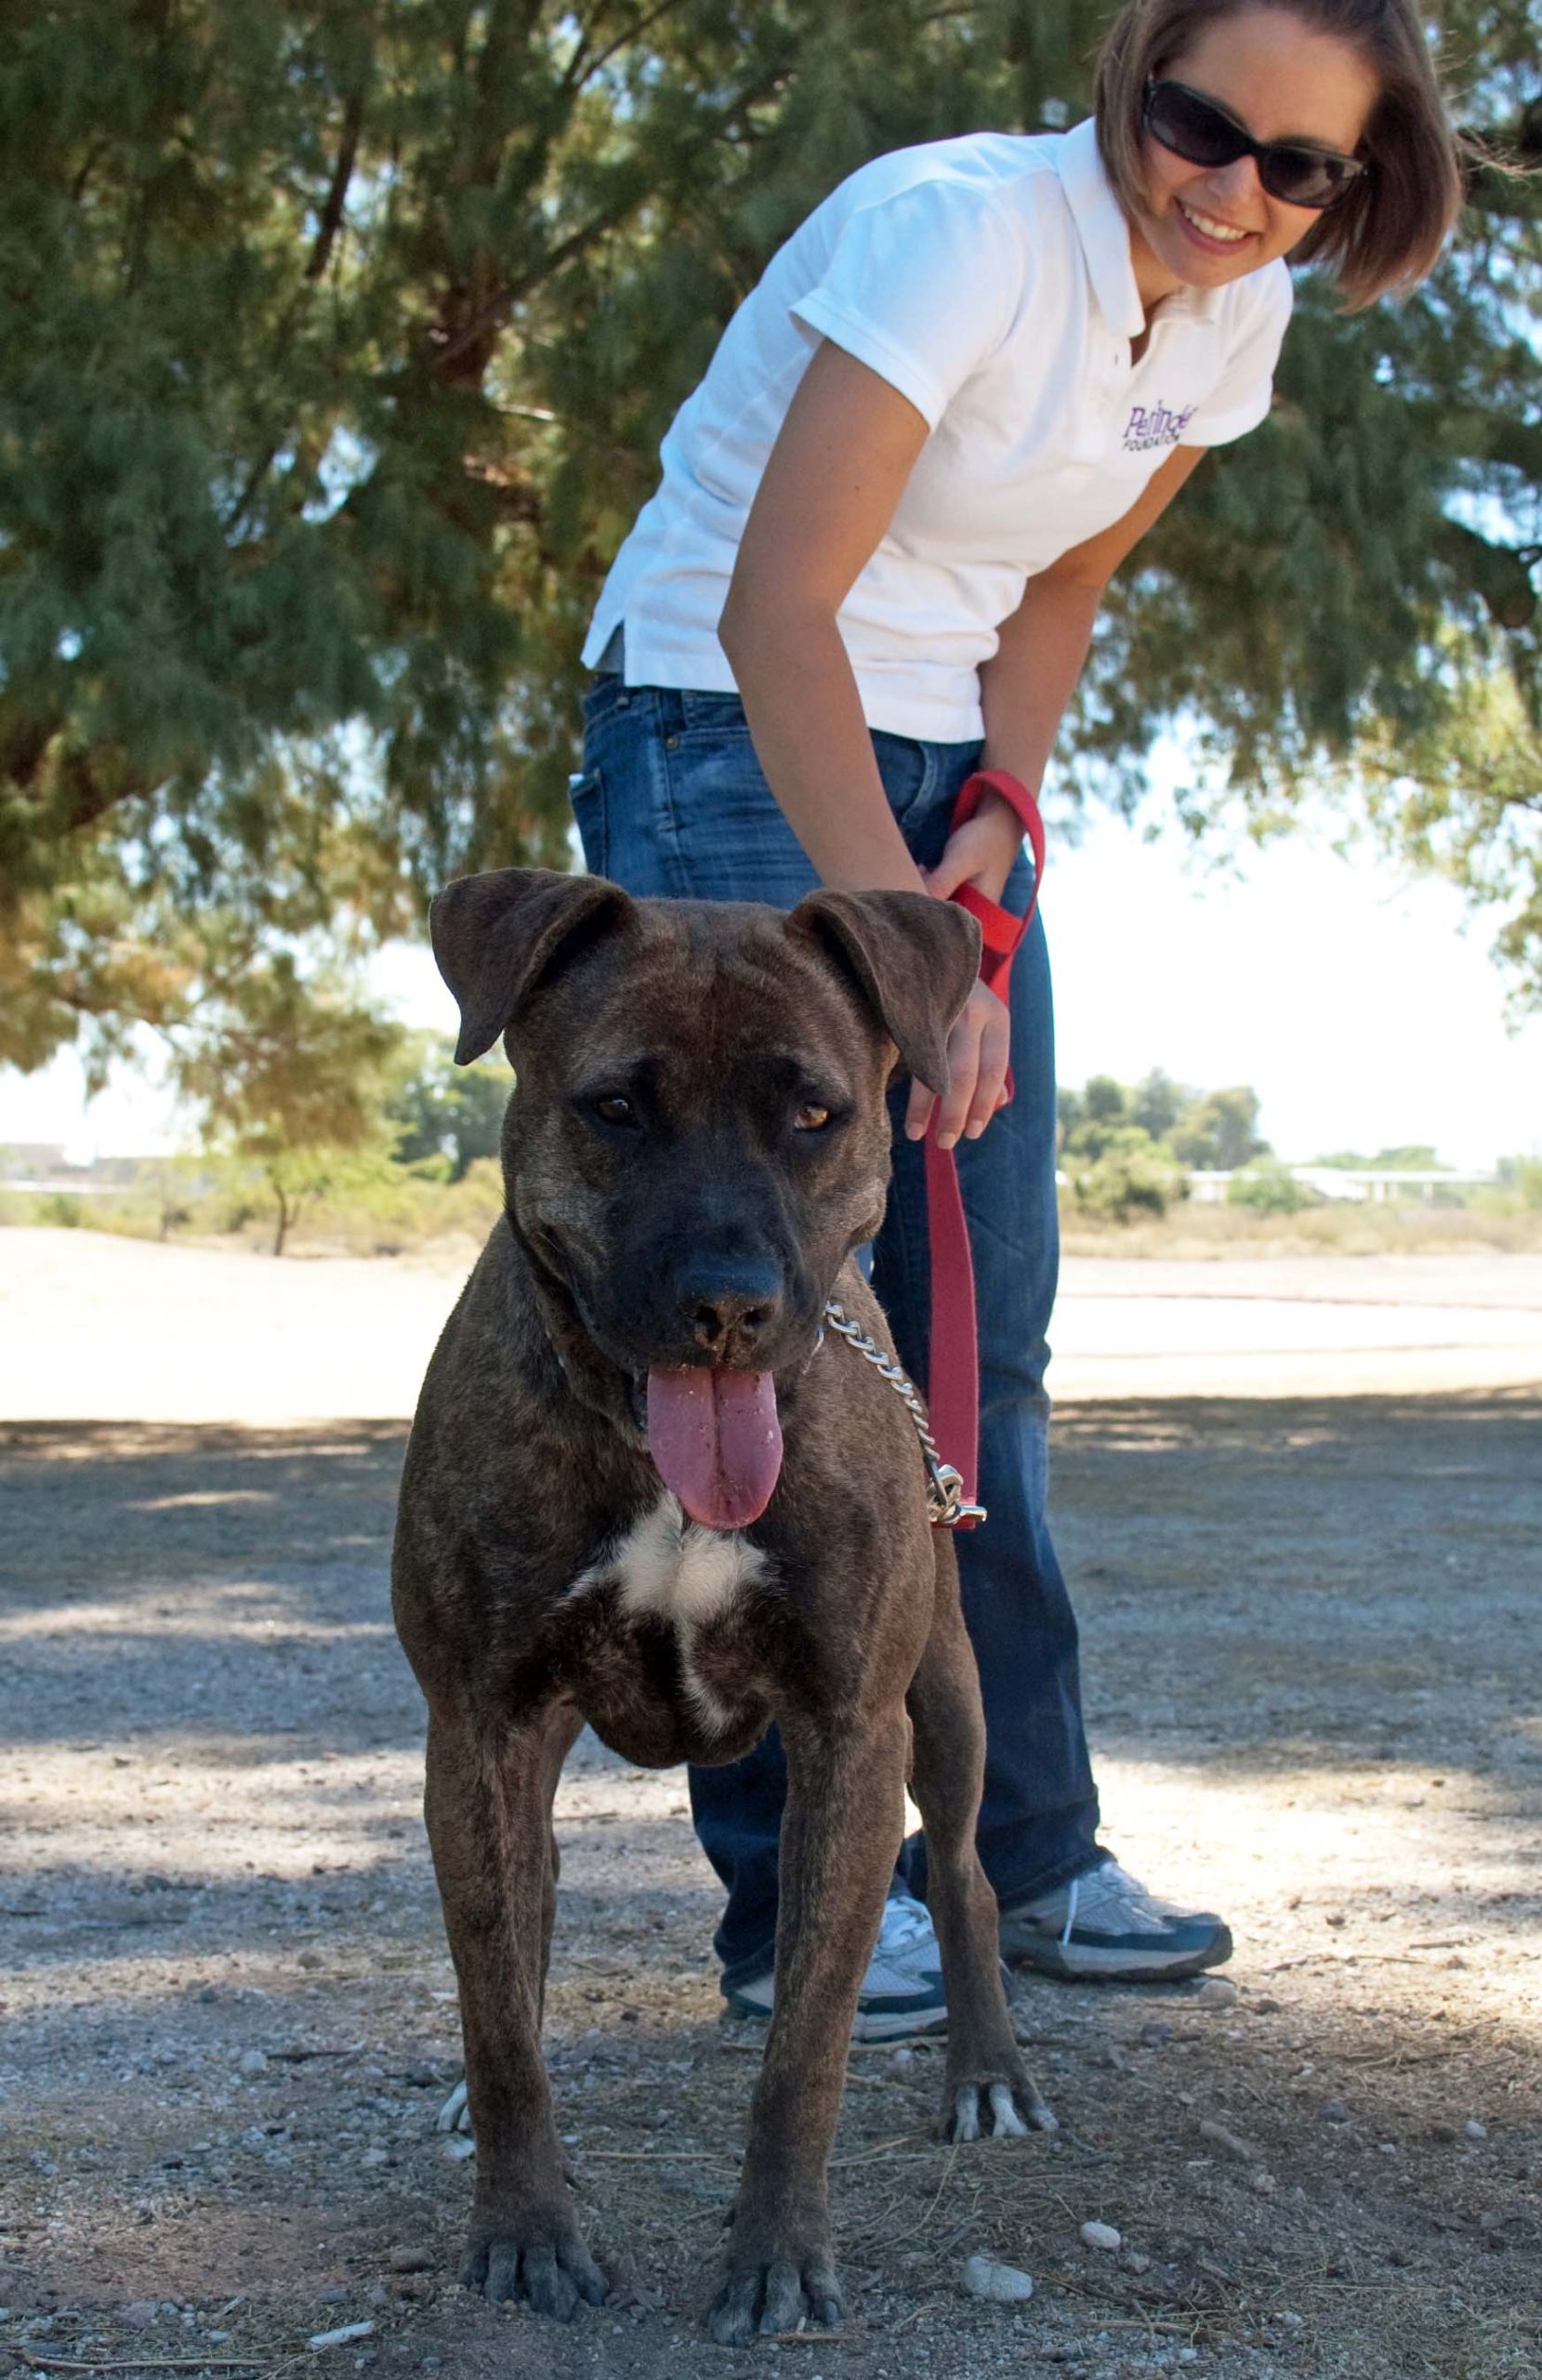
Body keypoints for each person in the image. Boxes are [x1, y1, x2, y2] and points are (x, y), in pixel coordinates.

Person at [570, 0, 1463, 2033]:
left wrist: (996, 813)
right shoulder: (956, 231)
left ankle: (1024, 1849)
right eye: (1196, 124)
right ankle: (796, 1899)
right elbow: (771, 604)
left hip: (933, 764)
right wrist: (909, 955)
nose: (1230, 191)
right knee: (770, 1307)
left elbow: (1049, 595)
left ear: (1354, 183)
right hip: (724, 722)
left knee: (997, 1330)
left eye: (1297, 165)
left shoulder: (1234, 316)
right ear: (1131, 78)